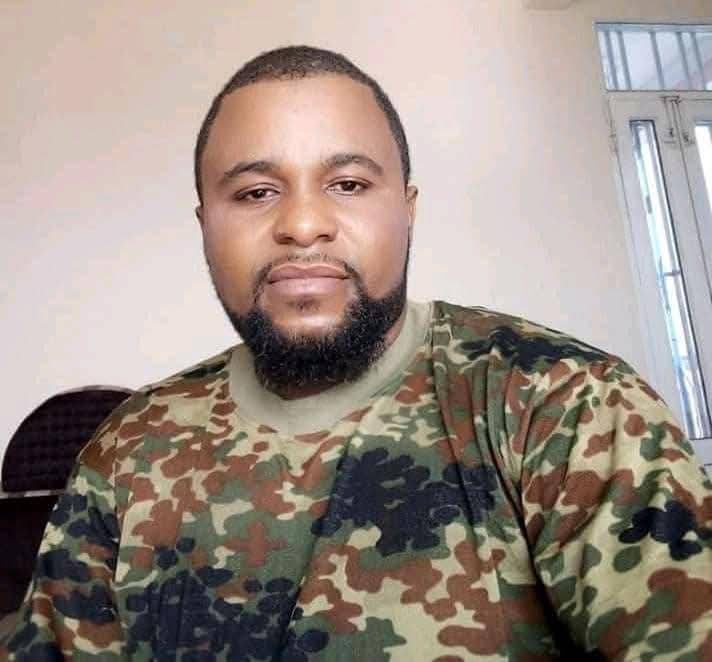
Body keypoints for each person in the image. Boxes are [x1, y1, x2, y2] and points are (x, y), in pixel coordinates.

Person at [2, 45, 711, 661]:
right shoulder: (127, 452)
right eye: (255, 191)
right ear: (204, 225)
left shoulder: (563, 404)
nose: (303, 224)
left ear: (407, 208)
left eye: (347, 184)